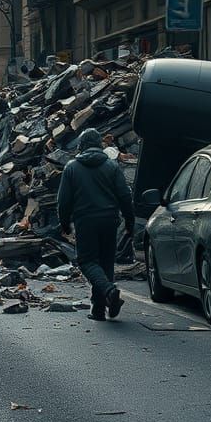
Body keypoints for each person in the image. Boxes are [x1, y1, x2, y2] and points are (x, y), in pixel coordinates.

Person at [57, 127, 135, 321]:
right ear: (99, 145)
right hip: (110, 220)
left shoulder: (72, 168)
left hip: (86, 220)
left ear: (81, 146)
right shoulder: (112, 167)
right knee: (106, 262)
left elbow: (63, 201)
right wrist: (130, 222)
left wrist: (64, 223)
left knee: (87, 261)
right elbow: (125, 196)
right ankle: (99, 308)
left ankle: (109, 292)